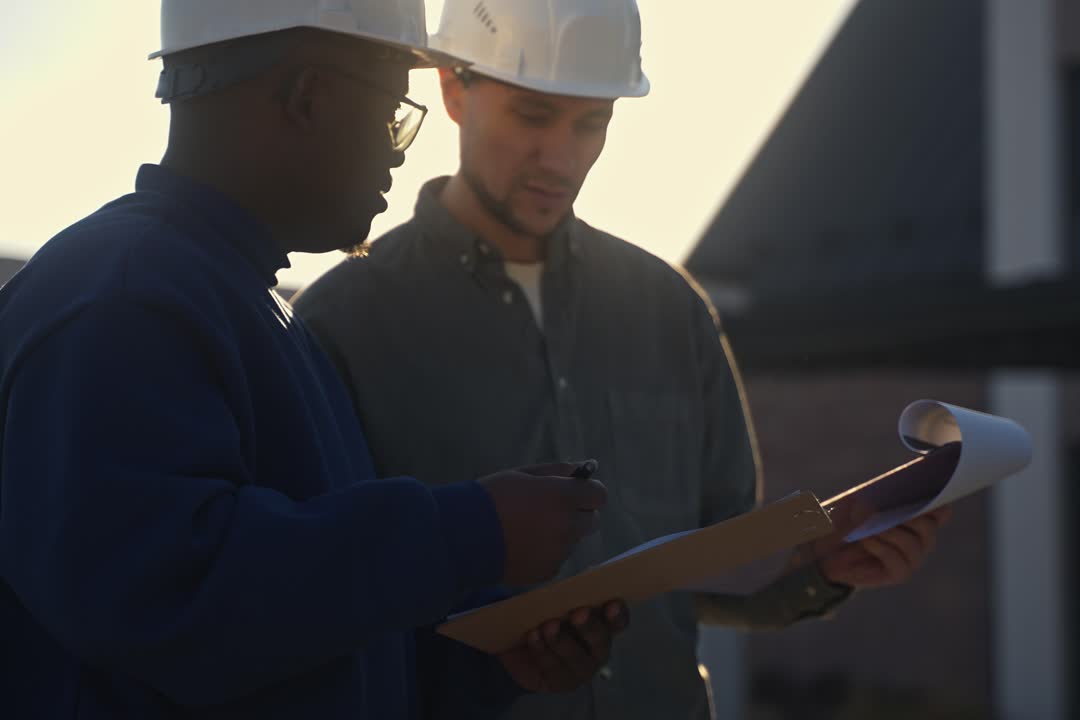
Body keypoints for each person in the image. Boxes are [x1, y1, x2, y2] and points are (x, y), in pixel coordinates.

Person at [292, 0, 951, 718]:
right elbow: (319, 606)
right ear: (455, 90)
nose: (561, 157)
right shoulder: (343, 323)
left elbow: (712, 581)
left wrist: (820, 570)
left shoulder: (670, 310)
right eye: (533, 115)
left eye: (591, 122)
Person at [0, 2, 628, 718]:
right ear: (309, 97)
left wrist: (484, 653)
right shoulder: (121, 297)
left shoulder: (237, 300)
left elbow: (292, 640)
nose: (400, 149)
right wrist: (469, 533)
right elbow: (167, 605)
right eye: (394, 110)